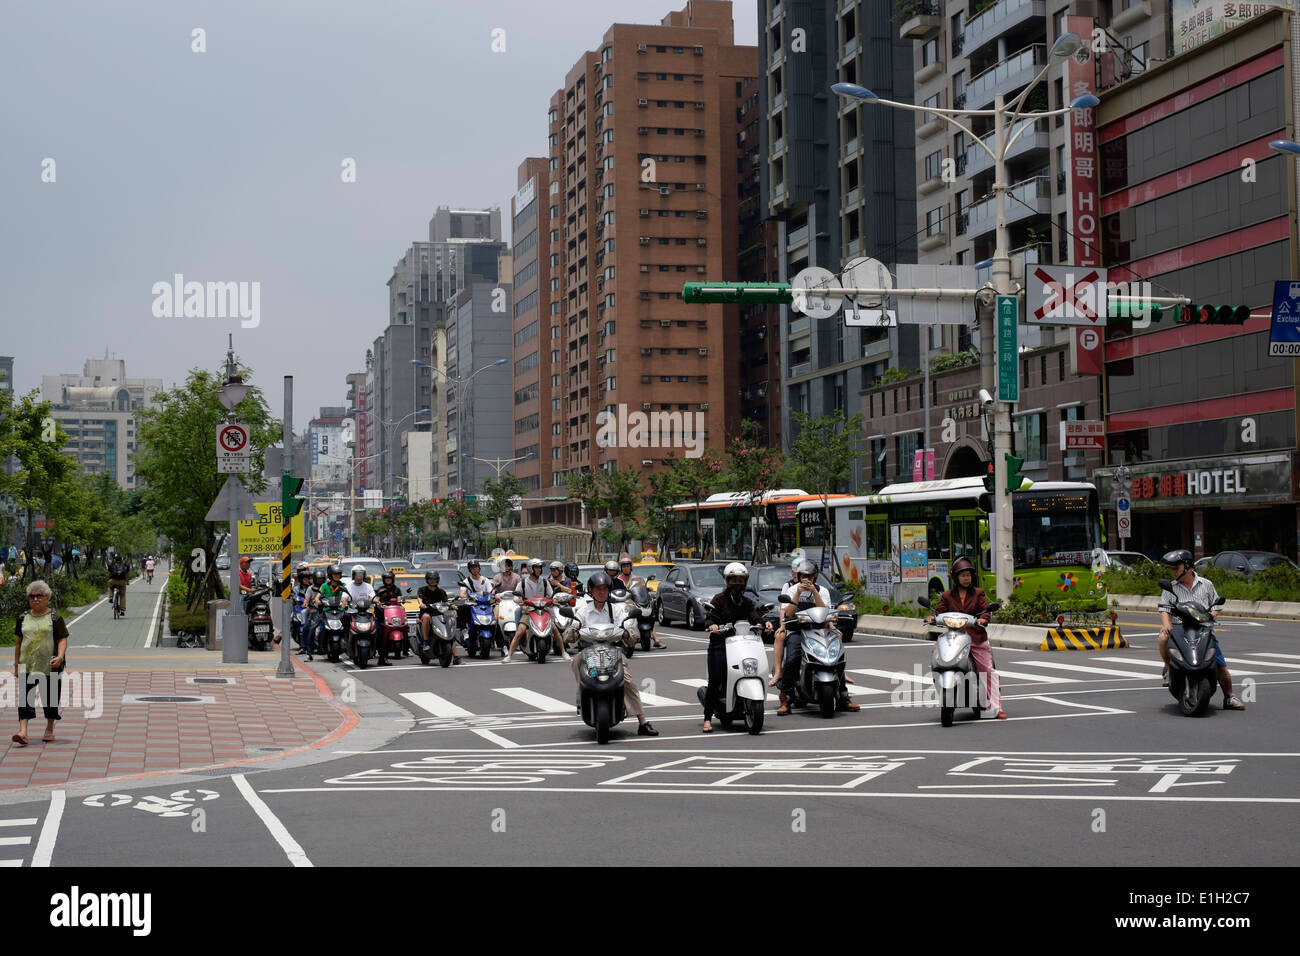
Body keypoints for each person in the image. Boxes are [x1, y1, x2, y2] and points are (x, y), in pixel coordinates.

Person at [568, 572, 658, 736]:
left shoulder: (616, 610)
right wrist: (571, 632)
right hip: (588, 650)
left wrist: (629, 633)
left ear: (609, 590)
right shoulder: (583, 611)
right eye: (598, 589)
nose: (601, 592)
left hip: (612, 650)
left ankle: (643, 721)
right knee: (575, 662)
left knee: (628, 680)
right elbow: (572, 628)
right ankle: (583, 691)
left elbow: (629, 625)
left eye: (604, 589)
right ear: (591, 591)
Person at [770, 559, 860, 714]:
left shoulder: (822, 591)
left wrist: (815, 593)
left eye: (810, 576)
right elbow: (788, 613)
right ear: (798, 576)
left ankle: (843, 697)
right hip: (797, 631)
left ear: (815, 577)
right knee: (792, 658)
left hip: (819, 630)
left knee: (837, 657)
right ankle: (786, 697)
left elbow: (825, 611)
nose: (807, 579)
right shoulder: (792, 591)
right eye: (804, 576)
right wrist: (798, 594)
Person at [1158, 549, 1244, 710]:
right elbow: (1164, 608)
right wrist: (1166, 624)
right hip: (1179, 629)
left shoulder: (1206, 584)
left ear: (1188, 566)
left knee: (1220, 665)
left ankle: (1229, 697)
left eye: (1176, 568)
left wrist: (1211, 616)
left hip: (1203, 629)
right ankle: (1168, 669)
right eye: (1171, 568)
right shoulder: (1171, 587)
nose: (1173, 572)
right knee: (1162, 638)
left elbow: (1216, 604)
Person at [925, 555, 1005, 719]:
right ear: (956, 577)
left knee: (988, 671)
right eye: (963, 575)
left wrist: (983, 619)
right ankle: (941, 683)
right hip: (954, 637)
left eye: (968, 575)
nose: (966, 578)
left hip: (975, 637)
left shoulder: (978, 593)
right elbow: (939, 611)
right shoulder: (947, 596)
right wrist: (932, 617)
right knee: (936, 654)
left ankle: (997, 707)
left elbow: (985, 610)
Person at [700, 563, 765, 733]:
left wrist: (764, 624)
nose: (737, 583)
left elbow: (755, 617)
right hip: (720, 644)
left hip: (741, 644)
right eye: (734, 580)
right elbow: (709, 618)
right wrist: (713, 625)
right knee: (716, 678)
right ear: (727, 581)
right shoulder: (718, 600)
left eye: (740, 580)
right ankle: (707, 718)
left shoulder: (747, 602)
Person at [12, 580, 69, 747]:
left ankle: (49, 728)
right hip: (27, 664)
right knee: (24, 699)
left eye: (39, 596)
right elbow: (18, 642)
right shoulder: (23, 617)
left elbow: (62, 639)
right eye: (32, 596)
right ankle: (23, 732)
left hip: (49, 665)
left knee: (50, 698)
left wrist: (59, 656)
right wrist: (16, 664)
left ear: (47, 598)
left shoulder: (55, 617)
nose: (35, 599)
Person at [417, 571, 461, 665]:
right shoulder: (422, 590)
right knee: (426, 617)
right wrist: (421, 604)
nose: (432, 581)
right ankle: (425, 642)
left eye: (434, 579)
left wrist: (452, 606)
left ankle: (456, 657)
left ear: (437, 580)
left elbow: (446, 602)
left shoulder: (441, 591)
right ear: (427, 580)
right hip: (427, 613)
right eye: (430, 579)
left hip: (439, 614)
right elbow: (419, 598)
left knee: (449, 629)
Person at [346, 564, 384, 665]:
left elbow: (373, 597)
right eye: (357, 574)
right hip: (352, 613)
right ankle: (346, 643)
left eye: (361, 574)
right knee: (343, 622)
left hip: (367, 613)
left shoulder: (368, 586)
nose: (359, 577)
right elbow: (344, 598)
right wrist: (343, 603)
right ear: (353, 575)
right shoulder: (349, 586)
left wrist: (377, 602)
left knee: (379, 630)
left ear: (364, 575)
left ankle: (382, 656)